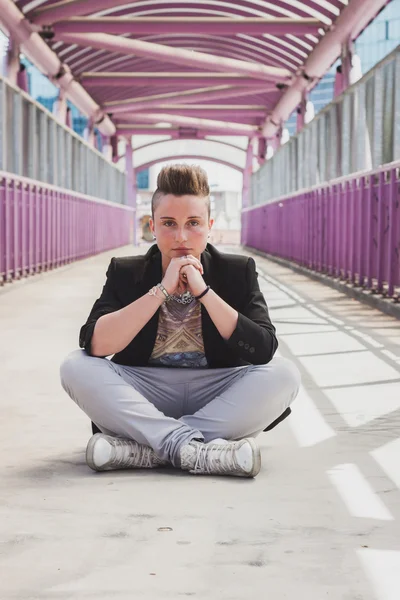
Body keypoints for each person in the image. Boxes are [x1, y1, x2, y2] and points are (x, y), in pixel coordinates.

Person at [60, 164, 300, 478]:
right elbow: (95, 344)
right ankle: (195, 450)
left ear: (210, 226)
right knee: (74, 366)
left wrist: (204, 292)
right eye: (169, 223)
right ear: (153, 226)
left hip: (216, 389)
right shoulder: (125, 270)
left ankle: (146, 449)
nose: (181, 237)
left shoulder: (236, 270)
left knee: (285, 374)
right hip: (145, 390)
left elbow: (262, 349)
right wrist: (160, 290)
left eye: (194, 223)